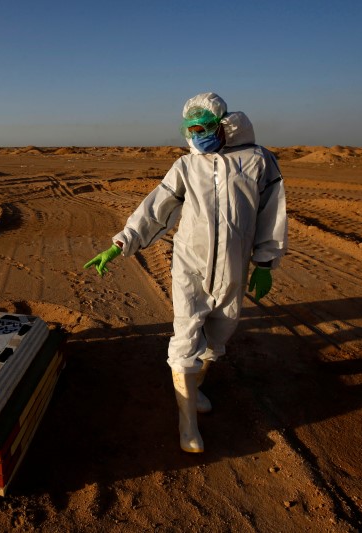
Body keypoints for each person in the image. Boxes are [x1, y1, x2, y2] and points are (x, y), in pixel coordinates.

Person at [84, 93, 287, 453]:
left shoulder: (258, 161)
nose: (196, 135)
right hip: (189, 267)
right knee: (185, 337)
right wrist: (120, 244)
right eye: (190, 129)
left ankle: (194, 392)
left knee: (218, 335)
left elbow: (271, 214)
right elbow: (155, 209)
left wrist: (266, 262)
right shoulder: (186, 166)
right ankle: (187, 424)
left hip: (233, 269)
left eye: (202, 128)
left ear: (222, 125)